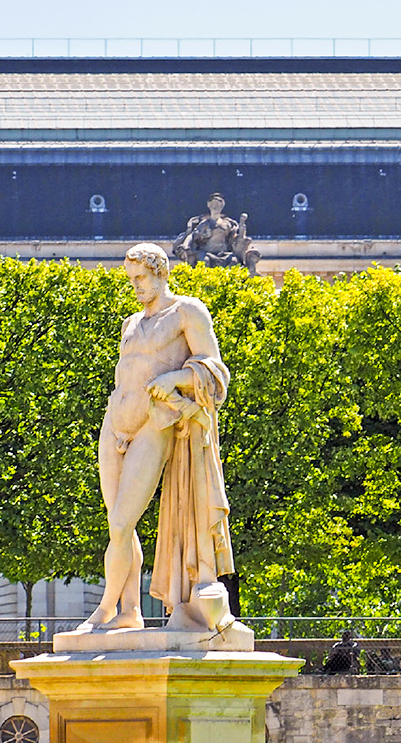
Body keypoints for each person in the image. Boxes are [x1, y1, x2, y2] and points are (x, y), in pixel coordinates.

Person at [82, 243, 235, 633]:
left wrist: (176, 378)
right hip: (116, 423)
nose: (135, 286)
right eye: (131, 279)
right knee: (121, 525)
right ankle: (129, 610)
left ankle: (104, 609)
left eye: (141, 278)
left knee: (120, 524)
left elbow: (215, 371)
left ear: (161, 273)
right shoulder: (131, 324)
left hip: (154, 425)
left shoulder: (187, 311)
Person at [172, 193, 260, 274]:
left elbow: (234, 239)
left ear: (222, 207)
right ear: (209, 206)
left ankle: (229, 286)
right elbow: (192, 236)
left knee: (234, 262)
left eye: (218, 205)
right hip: (207, 253)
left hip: (223, 254)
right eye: (213, 205)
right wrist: (185, 245)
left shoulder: (227, 224)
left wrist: (242, 231)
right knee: (204, 262)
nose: (215, 207)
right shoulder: (204, 224)